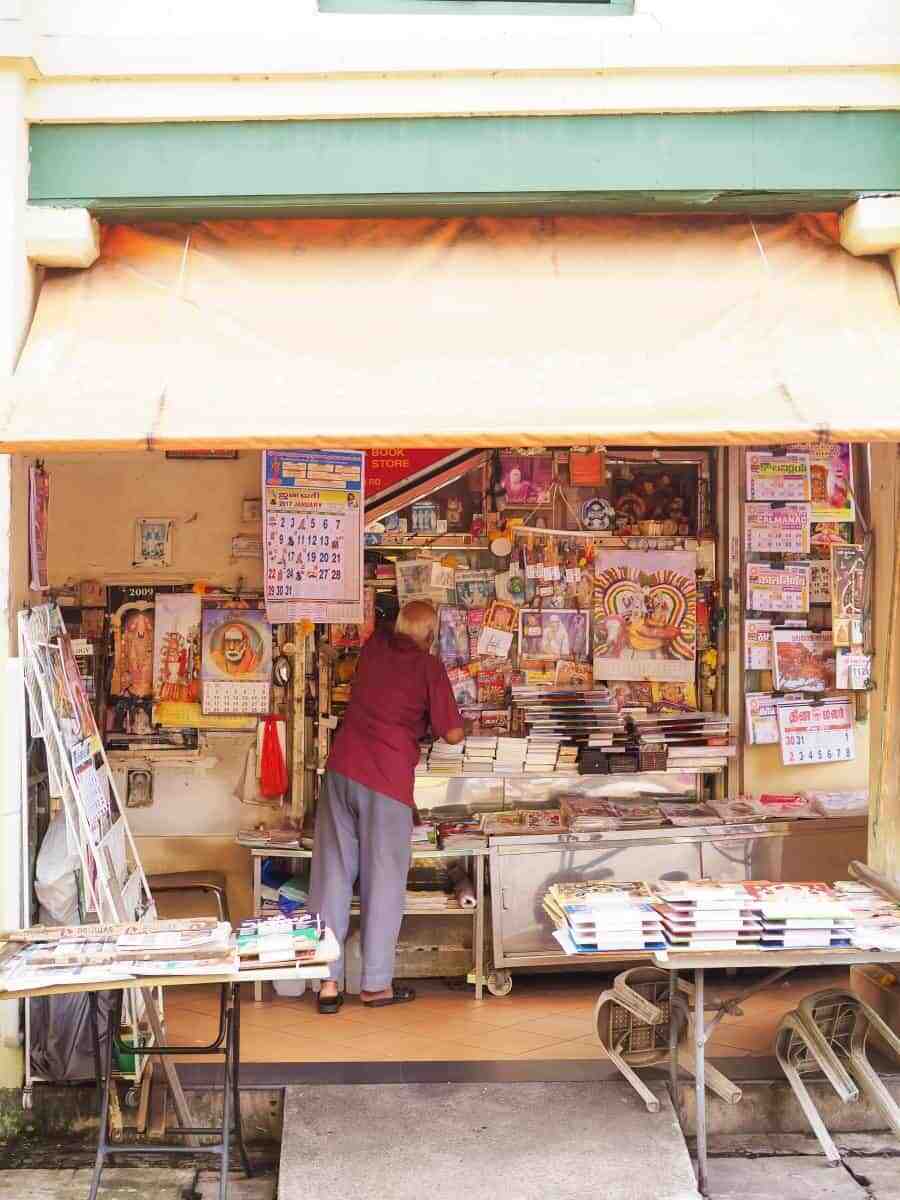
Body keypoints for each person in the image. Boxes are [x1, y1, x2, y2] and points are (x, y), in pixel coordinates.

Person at [309, 600, 464, 1014]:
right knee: (383, 881)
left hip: (341, 771)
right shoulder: (428, 667)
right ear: (430, 635)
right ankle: (375, 986)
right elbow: (451, 733)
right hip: (387, 780)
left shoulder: (373, 649)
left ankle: (326, 983)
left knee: (332, 877)